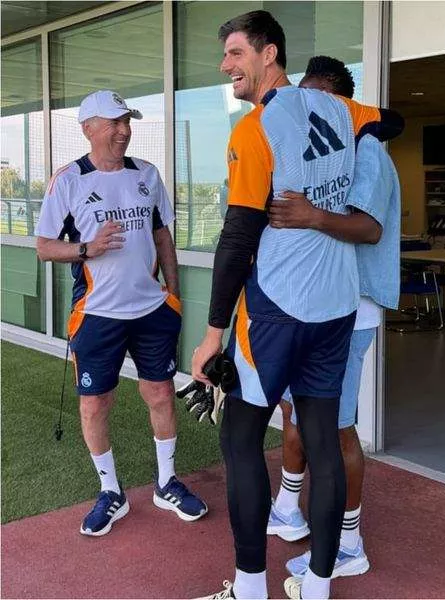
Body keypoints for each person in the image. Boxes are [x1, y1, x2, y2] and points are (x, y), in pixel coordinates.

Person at [191, 11, 403, 600]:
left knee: (239, 440)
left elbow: (237, 236)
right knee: (324, 439)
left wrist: (212, 333)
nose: (226, 65)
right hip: (336, 311)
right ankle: (317, 587)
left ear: (269, 54)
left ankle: (252, 587)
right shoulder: (345, 113)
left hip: (277, 312)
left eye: (236, 53)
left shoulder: (256, 128)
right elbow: (394, 119)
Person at [35, 90, 207, 537]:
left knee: (161, 394)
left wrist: (174, 294)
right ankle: (111, 492)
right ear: (88, 127)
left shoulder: (146, 174)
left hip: (152, 310)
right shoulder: (68, 180)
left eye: (127, 121)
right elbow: (43, 247)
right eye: (114, 122)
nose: (124, 130)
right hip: (97, 314)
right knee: (95, 403)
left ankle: (166, 482)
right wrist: (86, 248)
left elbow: (163, 236)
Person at [266, 56, 401, 585]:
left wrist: (310, 215)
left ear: (343, 104)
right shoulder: (323, 153)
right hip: (317, 305)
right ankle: (287, 508)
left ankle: (349, 543)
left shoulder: (368, 148)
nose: (309, 108)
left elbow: (367, 229)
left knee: (337, 430)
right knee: (297, 414)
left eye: (319, 98)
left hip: (352, 309)